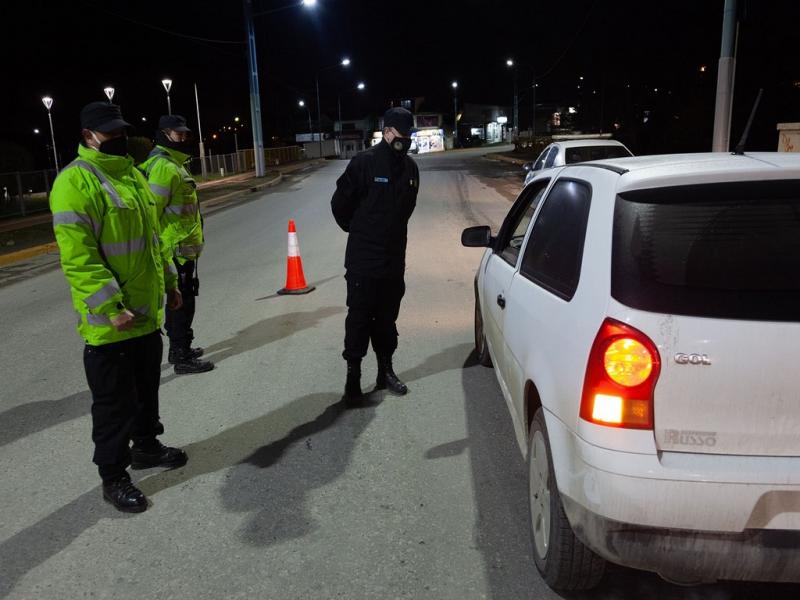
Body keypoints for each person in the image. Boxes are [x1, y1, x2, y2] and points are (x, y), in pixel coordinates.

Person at [50, 102, 188, 513]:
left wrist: (170, 283)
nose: (117, 137)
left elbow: (151, 242)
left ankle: (146, 445)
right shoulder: (74, 182)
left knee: (146, 390)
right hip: (110, 323)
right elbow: (79, 258)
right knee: (113, 404)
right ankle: (113, 476)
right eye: (108, 132)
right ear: (88, 135)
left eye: (120, 130)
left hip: (146, 314)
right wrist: (110, 306)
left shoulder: (132, 176)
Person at [331, 107, 420, 405]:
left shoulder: (410, 169)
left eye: (408, 135)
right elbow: (340, 205)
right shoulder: (364, 163)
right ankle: (353, 379)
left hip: (393, 261)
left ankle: (386, 372)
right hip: (363, 260)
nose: (404, 140)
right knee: (358, 319)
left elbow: (406, 211)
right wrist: (359, 231)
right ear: (387, 131)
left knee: (386, 320)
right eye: (399, 133)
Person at [139, 115, 214, 375]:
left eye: (183, 133)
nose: (182, 137)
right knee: (181, 301)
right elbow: (152, 212)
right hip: (175, 249)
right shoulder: (163, 166)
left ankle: (181, 347)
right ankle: (181, 355)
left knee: (185, 298)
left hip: (184, 247)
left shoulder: (175, 164)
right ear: (163, 134)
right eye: (176, 133)